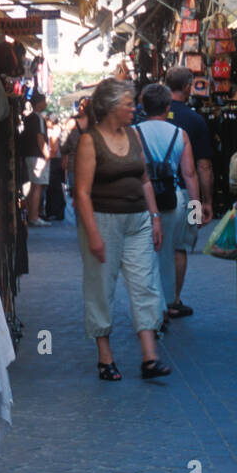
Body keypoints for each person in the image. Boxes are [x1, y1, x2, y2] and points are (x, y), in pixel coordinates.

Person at [74, 78, 170, 381]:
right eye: (129, 103)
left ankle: (149, 356)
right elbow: (82, 193)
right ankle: (105, 356)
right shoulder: (90, 141)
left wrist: (154, 216)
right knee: (101, 288)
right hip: (104, 220)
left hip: (138, 219)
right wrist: (93, 235)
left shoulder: (133, 134)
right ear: (113, 106)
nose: (134, 108)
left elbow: (144, 179)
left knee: (146, 284)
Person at [137, 82, 200, 330]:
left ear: (143, 106)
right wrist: (196, 209)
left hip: (141, 202)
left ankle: (150, 309)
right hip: (173, 199)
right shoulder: (179, 134)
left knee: (143, 256)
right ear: (167, 106)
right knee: (166, 255)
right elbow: (190, 173)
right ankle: (164, 306)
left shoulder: (133, 133)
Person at [164, 66, 215, 318]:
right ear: (187, 87)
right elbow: (202, 166)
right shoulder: (195, 120)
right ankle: (173, 300)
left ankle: (155, 300)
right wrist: (205, 203)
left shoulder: (145, 116)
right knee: (180, 246)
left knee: (154, 247)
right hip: (185, 194)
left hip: (150, 194)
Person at [21, 92, 50, 226]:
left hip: (28, 154)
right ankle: (34, 216)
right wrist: (46, 154)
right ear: (39, 103)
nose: (46, 103)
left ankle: (30, 215)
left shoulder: (28, 118)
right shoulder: (38, 118)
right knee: (37, 186)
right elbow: (40, 138)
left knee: (33, 186)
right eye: (44, 101)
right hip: (37, 156)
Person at [61, 97, 90, 211]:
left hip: (75, 164)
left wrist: (64, 157)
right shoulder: (96, 122)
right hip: (90, 164)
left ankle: (81, 221)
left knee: (78, 195)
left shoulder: (72, 123)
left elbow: (63, 144)